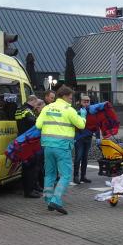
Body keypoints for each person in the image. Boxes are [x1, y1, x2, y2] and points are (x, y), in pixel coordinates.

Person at [35, 86, 86, 214]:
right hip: (62, 147)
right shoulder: (69, 110)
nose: (71, 99)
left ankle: (48, 199)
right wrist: (83, 116)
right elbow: (81, 125)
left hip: (47, 146)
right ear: (64, 96)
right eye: (70, 97)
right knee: (65, 175)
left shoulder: (47, 108)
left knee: (49, 174)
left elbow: (38, 125)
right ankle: (56, 200)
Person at [15, 96, 41, 198]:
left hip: (22, 139)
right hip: (28, 141)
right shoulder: (27, 111)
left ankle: (28, 189)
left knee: (26, 166)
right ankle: (29, 191)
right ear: (33, 101)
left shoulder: (19, 109)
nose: (36, 105)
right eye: (36, 103)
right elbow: (34, 123)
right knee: (30, 166)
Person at [73, 95, 95, 184]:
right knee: (78, 157)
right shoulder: (77, 112)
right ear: (80, 102)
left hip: (88, 137)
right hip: (79, 137)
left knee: (85, 158)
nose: (86, 103)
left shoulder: (91, 112)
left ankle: (83, 176)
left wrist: (97, 137)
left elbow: (95, 124)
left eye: (88, 101)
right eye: (84, 101)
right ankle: (76, 176)